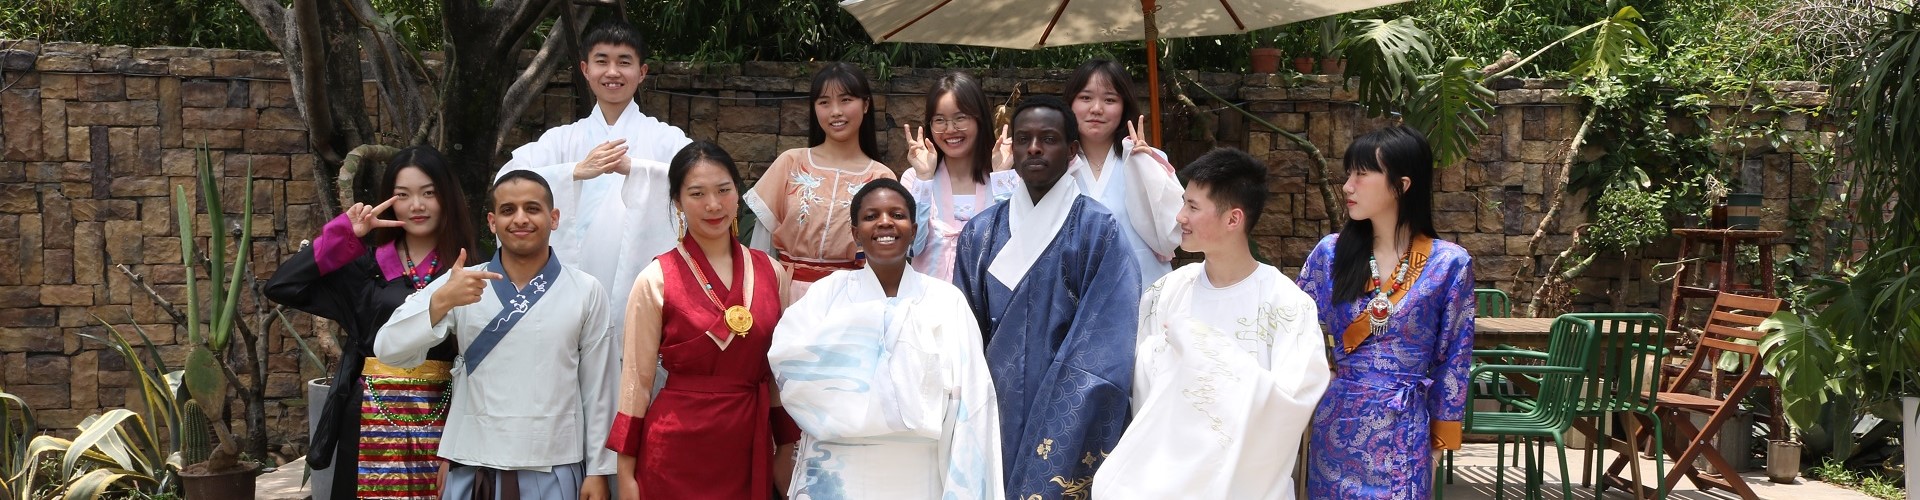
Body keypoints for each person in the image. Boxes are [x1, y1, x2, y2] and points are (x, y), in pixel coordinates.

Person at [1091, 148, 1330, 500]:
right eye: (1183, 203)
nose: (1180, 217)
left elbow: (1291, 402)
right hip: (1165, 482)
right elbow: (1135, 378)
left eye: (1192, 206)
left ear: (1233, 219)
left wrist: (1200, 347)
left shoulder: (1288, 305)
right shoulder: (1167, 291)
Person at [374, 170, 619, 499]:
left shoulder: (586, 290)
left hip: (553, 462)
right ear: (492, 222)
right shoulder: (462, 283)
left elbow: (600, 387)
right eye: (507, 210)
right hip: (474, 462)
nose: (520, 219)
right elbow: (388, 348)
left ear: (554, 218)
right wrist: (442, 300)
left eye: (532, 208)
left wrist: (599, 470)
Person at [952, 95, 1142, 499]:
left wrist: (1062, 397)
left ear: (1072, 150)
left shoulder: (1098, 230)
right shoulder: (980, 233)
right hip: (991, 402)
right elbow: (960, 333)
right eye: (1024, 139)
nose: (1034, 148)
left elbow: (1108, 339)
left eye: (1049, 139)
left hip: (1068, 406)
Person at [768, 179, 1005, 499]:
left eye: (897, 214)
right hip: (838, 468)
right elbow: (789, 366)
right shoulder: (827, 294)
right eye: (871, 216)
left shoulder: (946, 300)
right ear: (855, 233)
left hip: (919, 470)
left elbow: (972, 395)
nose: (884, 222)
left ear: (913, 229)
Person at [265, 146, 478, 500]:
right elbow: (282, 286)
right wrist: (344, 234)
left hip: (445, 415)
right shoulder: (367, 268)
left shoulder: (468, 269)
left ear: (447, 197)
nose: (417, 205)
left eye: (429, 193)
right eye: (403, 195)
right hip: (369, 414)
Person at [607, 141, 801, 499]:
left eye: (724, 190)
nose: (713, 204)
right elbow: (636, 381)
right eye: (697, 194)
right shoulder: (656, 279)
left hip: (749, 440)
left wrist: (785, 445)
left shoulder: (771, 272)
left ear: (738, 194)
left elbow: (778, 372)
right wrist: (626, 472)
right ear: (678, 202)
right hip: (674, 448)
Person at [1297, 126, 1475, 498]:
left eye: (1361, 174)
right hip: (1336, 427)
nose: (1348, 186)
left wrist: (1438, 447)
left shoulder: (1449, 264)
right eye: (1348, 174)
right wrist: (1325, 371)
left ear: (1401, 185)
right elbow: (1294, 328)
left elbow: (1454, 359)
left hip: (1404, 432)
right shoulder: (1330, 254)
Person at [496, 18, 692, 337]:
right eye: (602, 61)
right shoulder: (560, 141)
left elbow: (702, 182)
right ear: (585, 70)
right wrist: (573, 172)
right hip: (569, 283)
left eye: (624, 62)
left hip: (644, 281)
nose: (612, 72)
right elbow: (506, 182)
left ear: (642, 72)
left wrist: (637, 170)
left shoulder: (667, 140)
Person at [745, 62, 898, 298]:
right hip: (789, 297)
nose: (835, 111)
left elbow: (887, 254)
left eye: (846, 100)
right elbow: (760, 247)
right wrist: (758, 297)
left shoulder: (881, 177)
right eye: (824, 102)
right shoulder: (791, 163)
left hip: (853, 298)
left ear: (866, 104)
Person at [1062, 59, 1183, 287]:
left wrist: (1147, 168)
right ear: (1070, 104)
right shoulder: (1056, 166)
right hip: (1075, 294)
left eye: (1109, 100)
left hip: (1144, 290)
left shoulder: (1149, 160)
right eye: (1085, 98)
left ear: (1124, 107)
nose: (1096, 109)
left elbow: (1173, 234)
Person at [899, 71, 1018, 282]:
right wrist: (924, 179)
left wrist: (1001, 178)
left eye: (960, 118)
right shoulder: (914, 178)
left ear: (979, 120)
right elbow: (911, 247)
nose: (950, 129)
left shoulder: (1007, 179)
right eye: (939, 120)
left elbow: (1014, 247)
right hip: (929, 299)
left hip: (985, 300)